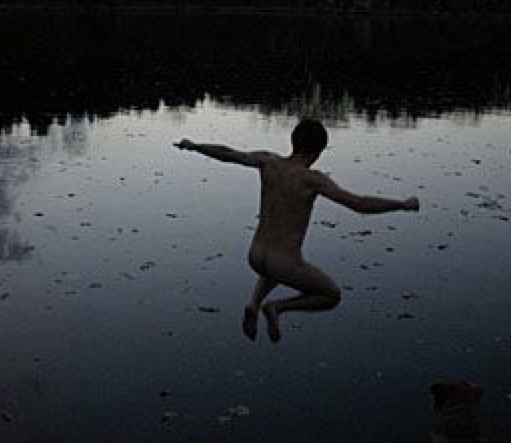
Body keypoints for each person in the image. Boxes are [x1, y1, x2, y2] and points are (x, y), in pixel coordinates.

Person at [174, 119, 419, 343]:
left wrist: (195, 146)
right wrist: (401, 204)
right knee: (331, 295)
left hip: (256, 255)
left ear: (293, 141)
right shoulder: (312, 179)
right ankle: (277, 307)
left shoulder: (268, 162)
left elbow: (228, 154)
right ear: (318, 151)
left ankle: (253, 304)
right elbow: (358, 203)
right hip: (284, 263)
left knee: (273, 269)